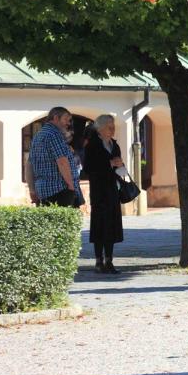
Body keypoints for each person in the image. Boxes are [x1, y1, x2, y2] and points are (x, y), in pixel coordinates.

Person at [82, 115, 125, 274]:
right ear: (99, 128)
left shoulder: (114, 145)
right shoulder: (92, 145)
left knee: (112, 226)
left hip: (113, 190)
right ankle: (99, 261)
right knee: (100, 225)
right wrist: (109, 164)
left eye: (113, 126)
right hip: (99, 191)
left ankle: (109, 260)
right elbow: (87, 168)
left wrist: (121, 165)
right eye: (109, 126)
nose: (112, 129)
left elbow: (119, 169)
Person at [29, 107, 80, 208]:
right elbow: (62, 161)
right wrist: (71, 186)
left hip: (43, 191)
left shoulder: (37, 136)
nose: (68, 123)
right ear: (56, 118)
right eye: (66, 119)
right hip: (60, 190)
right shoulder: (55, 134)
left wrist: (32, 190)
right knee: (64, 223)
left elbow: (29, 165)